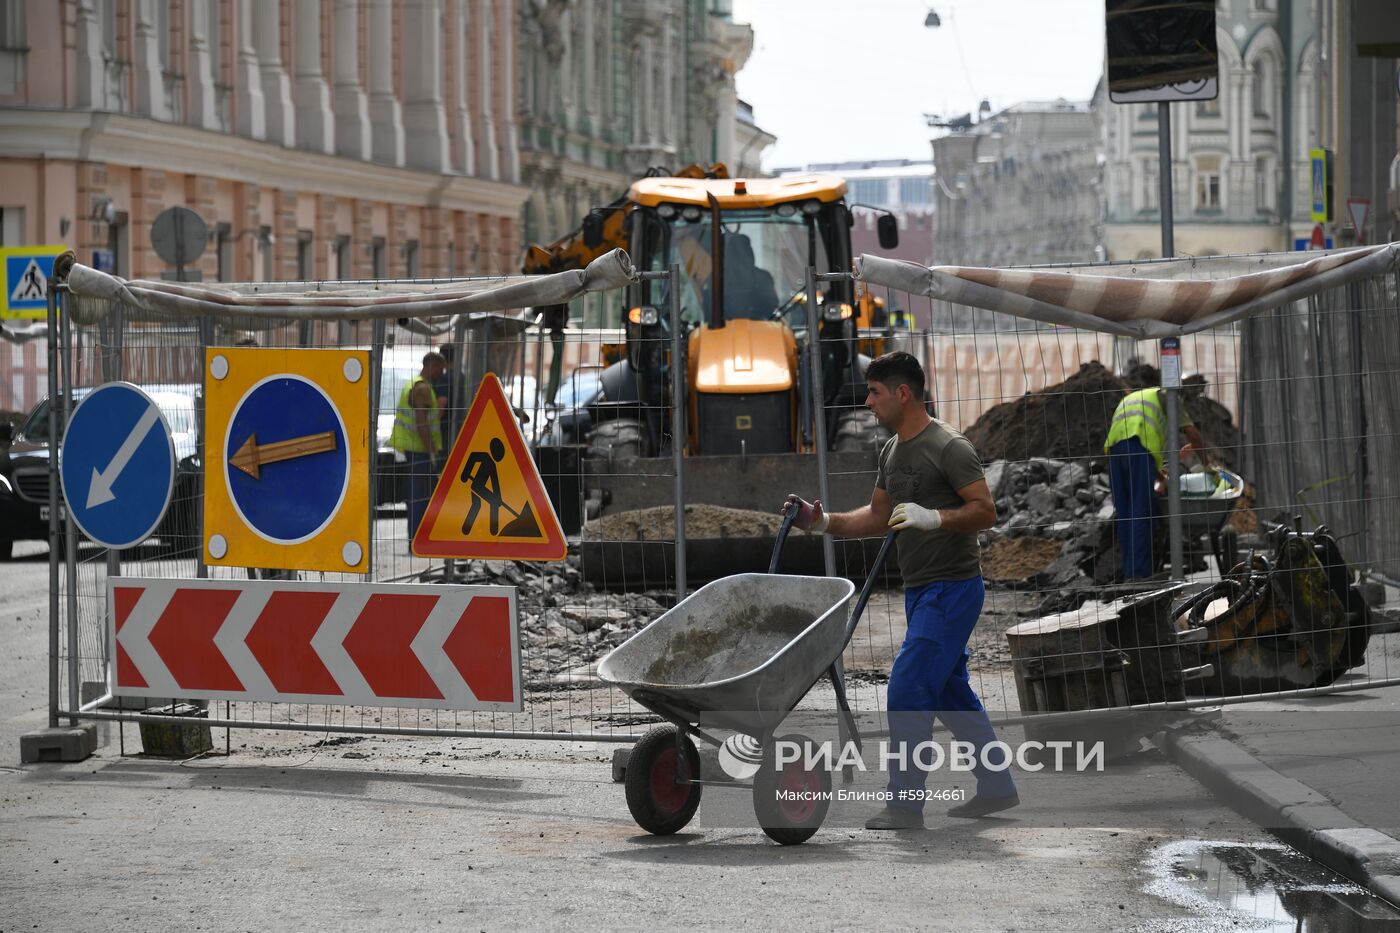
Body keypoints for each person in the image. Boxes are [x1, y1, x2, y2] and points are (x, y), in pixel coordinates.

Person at [783, 350, 1018, 830]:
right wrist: (820, 521)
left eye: (875, 392)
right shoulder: (892, 451)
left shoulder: (948, 446)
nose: (868, 402)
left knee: (910, 686)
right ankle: (997, 787)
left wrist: (934, 517)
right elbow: (876, 516)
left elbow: (985, 510)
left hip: (951, 590)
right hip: (921, 590)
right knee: (948, 691)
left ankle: (905, 805)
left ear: (903, 393)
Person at [1104, 385, 1205, 580]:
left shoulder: (1139, 397)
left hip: (1115, 450)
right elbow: (1193, 434)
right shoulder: (1170, 396)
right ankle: (1140, 575)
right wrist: (1206, 464)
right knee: (1142, 511)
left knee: (1125, 513)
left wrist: (1160, 478)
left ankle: (1129, 574)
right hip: (1138, 447)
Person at [389, 351, 447, 537]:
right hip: (418, 449)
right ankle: (416, 538)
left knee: (422, 495)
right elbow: (422, 422)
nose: (442, 374)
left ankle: (420, 536)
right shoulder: (422, 388)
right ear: (432, 366)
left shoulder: (415, 384)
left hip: (414, 448)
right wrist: (431, 450)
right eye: (441, 369)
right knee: (419, 497)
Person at [721, 232, 778, 320]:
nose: (742, 257)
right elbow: (771, 305)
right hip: (758, 328)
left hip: (758, 326)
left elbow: (772, 307)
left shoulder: (717, 279)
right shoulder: (762, 276)